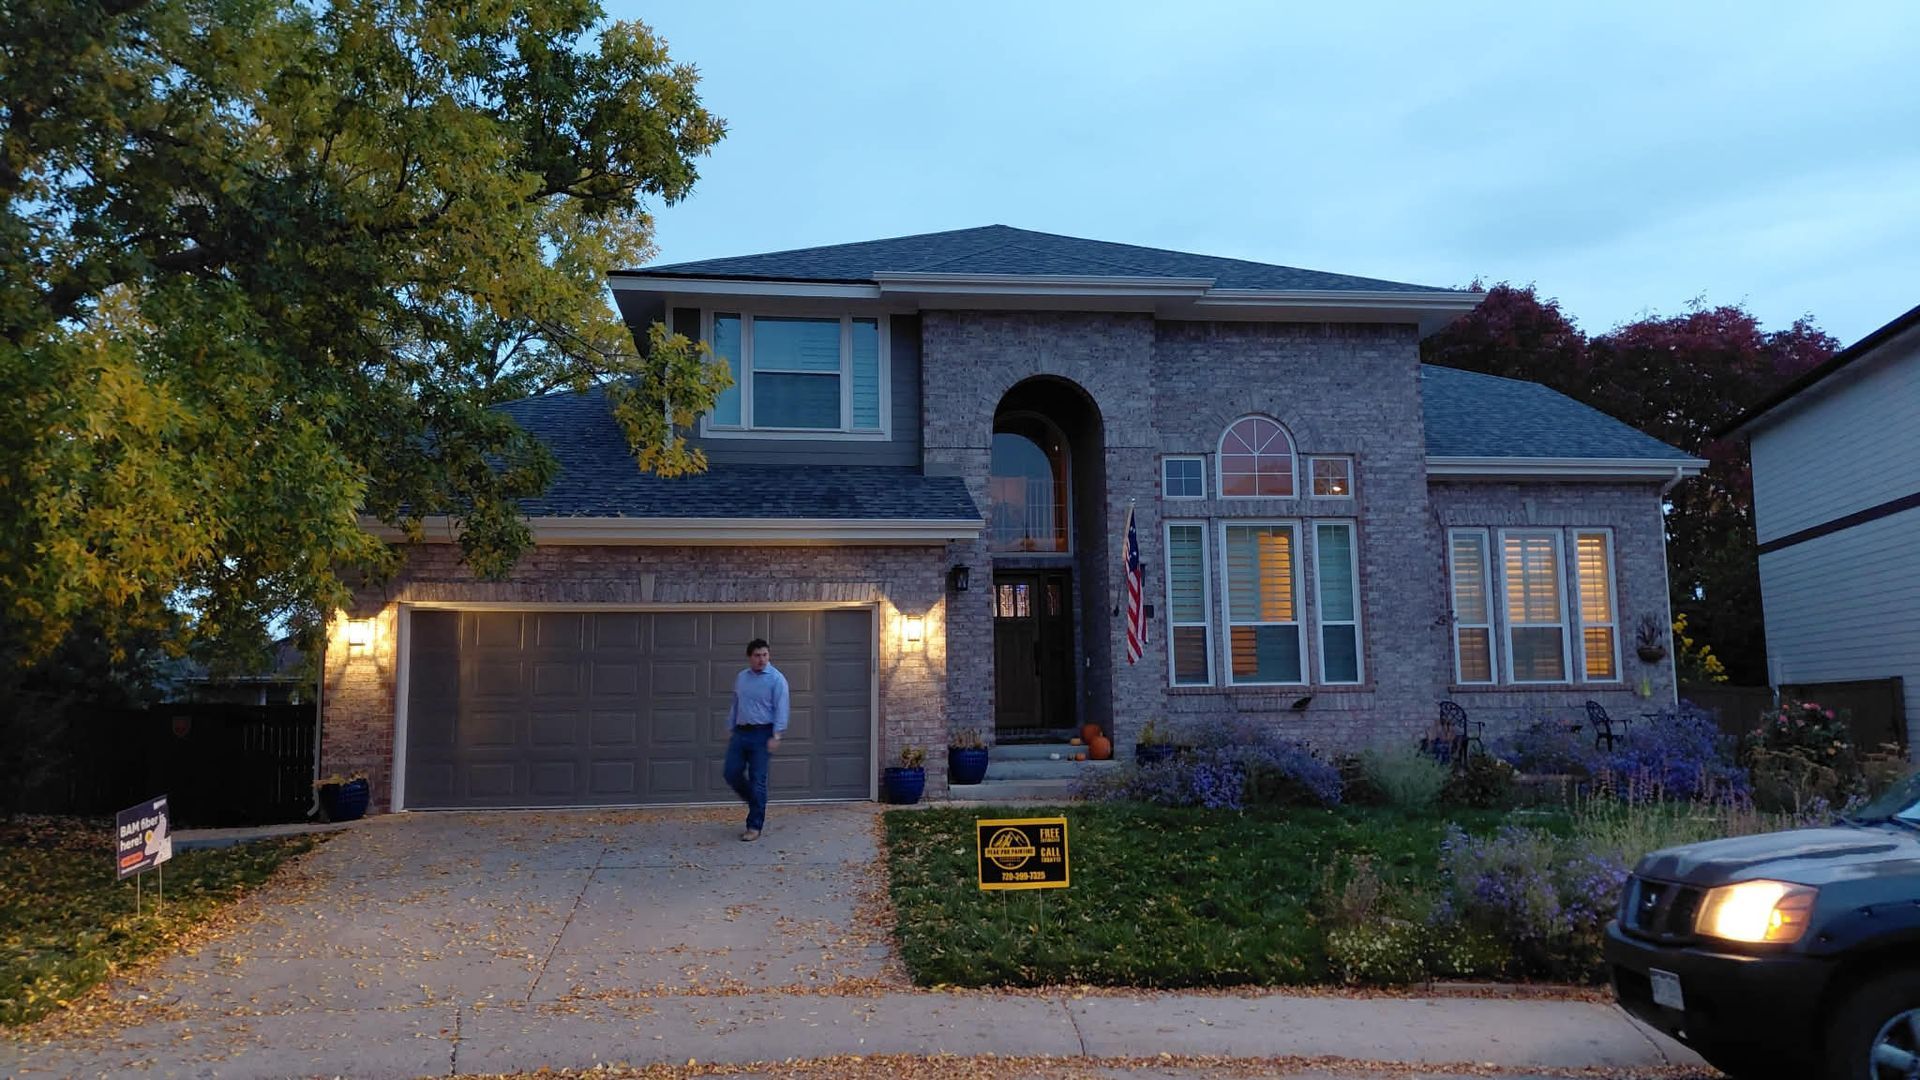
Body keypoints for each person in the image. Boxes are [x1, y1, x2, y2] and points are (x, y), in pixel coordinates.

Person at [722, 637, 788, 841]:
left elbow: (782, 708)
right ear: (749, 657)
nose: (762, 659)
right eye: (757, 655)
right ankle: (755, 801)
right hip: (741, 733)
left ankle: (754, 826)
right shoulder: (742, 677)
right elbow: (736, 703)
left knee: (758, 780)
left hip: (763, 734)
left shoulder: (776, 679)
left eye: (765, 655)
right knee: (730, 772)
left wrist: (777, 734)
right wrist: (730, 726)